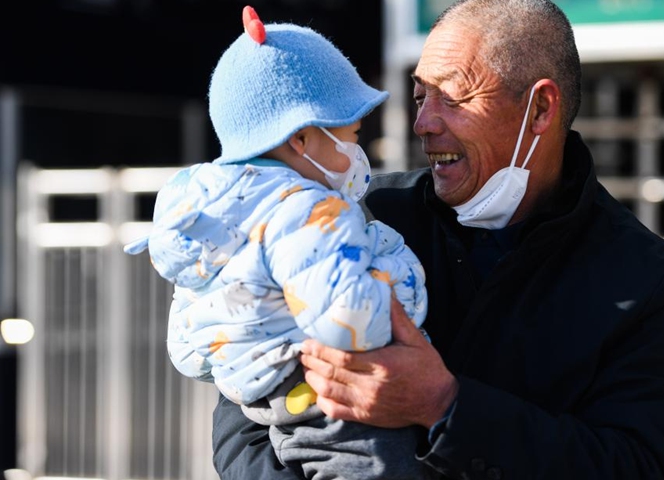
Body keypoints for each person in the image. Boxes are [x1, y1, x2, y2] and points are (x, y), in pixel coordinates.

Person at [212, 0, 664, 478]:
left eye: (452, 96)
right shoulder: (353, 216)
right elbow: (243, 419)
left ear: (540, 109)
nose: (423, 123)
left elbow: (639, 466)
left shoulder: (653, 282)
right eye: (420, 96)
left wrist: (445, 406)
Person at [125, 6, 436, 480]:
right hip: (345, 413)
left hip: (271, 414)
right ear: (303, 138)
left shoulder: (211, 219)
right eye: (351, 134)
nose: (358, 150)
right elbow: (352, 322)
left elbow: (189, 353)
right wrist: (396, 291)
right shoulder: (309, 211)